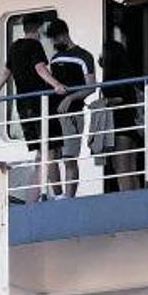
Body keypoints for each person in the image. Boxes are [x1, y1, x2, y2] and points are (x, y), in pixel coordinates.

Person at [0, 14, 70, 201]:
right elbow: (40, 69)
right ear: (38, 28)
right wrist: (56, 85)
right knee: (51, 149)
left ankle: (35, 196)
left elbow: (6, 72)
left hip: (23, 105)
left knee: (41, 151)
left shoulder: (14, 46)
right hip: (40, 103)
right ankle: (58, 194)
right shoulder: (35, 46)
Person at [45, 19, 97, 199]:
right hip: (54, 112)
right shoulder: (55, 58)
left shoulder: (84, 56)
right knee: (51, 154)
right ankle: (58, 195)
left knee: (69, 158)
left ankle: (69, 198)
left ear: (63, 35)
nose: (53, 43)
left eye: (54, 39)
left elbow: (91, 86)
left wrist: (71, 97)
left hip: (73, 113)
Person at [100, 40, 144, 192]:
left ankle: (128, 205)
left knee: (122, 170)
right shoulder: (127, 75)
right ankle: (138, 202)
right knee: (131, 170)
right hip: (131, 127)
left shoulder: (113, 77)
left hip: (120, 127)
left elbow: (120, 98)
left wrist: (104, 101)